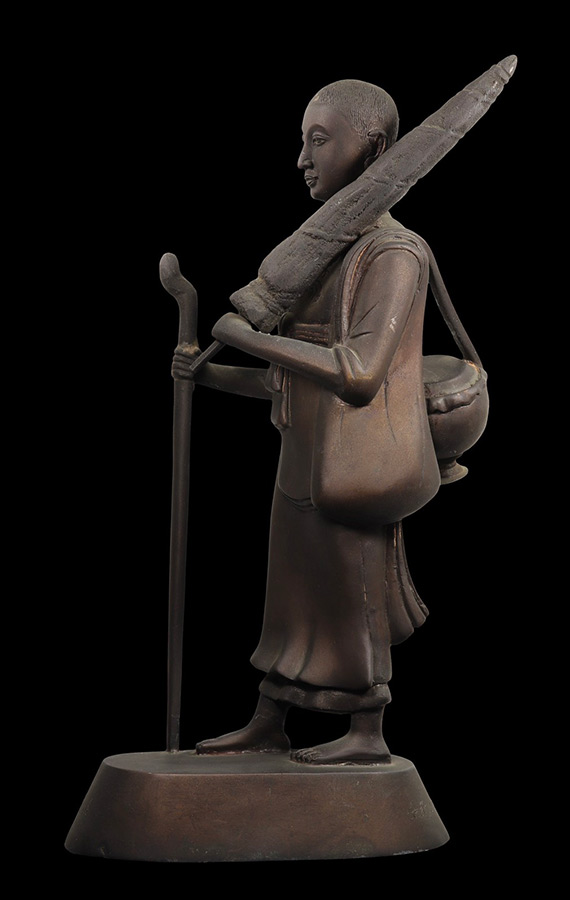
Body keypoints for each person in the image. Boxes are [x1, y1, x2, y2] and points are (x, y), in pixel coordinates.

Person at [172, 80, 441, 764]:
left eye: (318, 140)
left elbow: (359, 371)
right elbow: (287, 379)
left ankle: (368, 732)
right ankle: (271, 717)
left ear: (372, 148)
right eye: (302, 140)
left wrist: (248, 337)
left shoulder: (394, 254)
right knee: (292, 600)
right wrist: (207, 375)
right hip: (299, 456)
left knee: (353, 592)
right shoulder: (324, 252)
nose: (301, 159)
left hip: (351, 462)